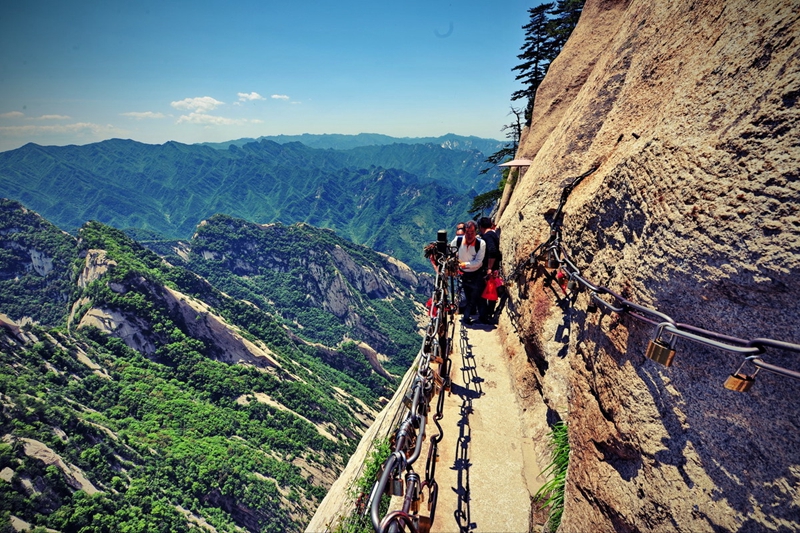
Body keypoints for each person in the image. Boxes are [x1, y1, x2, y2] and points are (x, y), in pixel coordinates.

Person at [451, 220, 485, 325]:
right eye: (467, 232)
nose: (470, 235)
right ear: (464, 231)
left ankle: (471, 318)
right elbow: (451, 253)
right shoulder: (457, 241)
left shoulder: (480, 244)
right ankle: (470, 317)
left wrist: (464, 264)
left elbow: (479, 261)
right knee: (466, 297)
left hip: (476, 273)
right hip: (463, 274)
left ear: (476, 232)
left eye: (472, 232)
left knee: (476, 296)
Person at [478, 217, 501, 324]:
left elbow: (492, 251)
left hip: (490, 269)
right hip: (493, 268)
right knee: (491, 292)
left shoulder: (488, 236)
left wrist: (489, 268)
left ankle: (485, 316)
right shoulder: (492, 234)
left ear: (480, 227)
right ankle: (488, 314)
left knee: (483, 292)